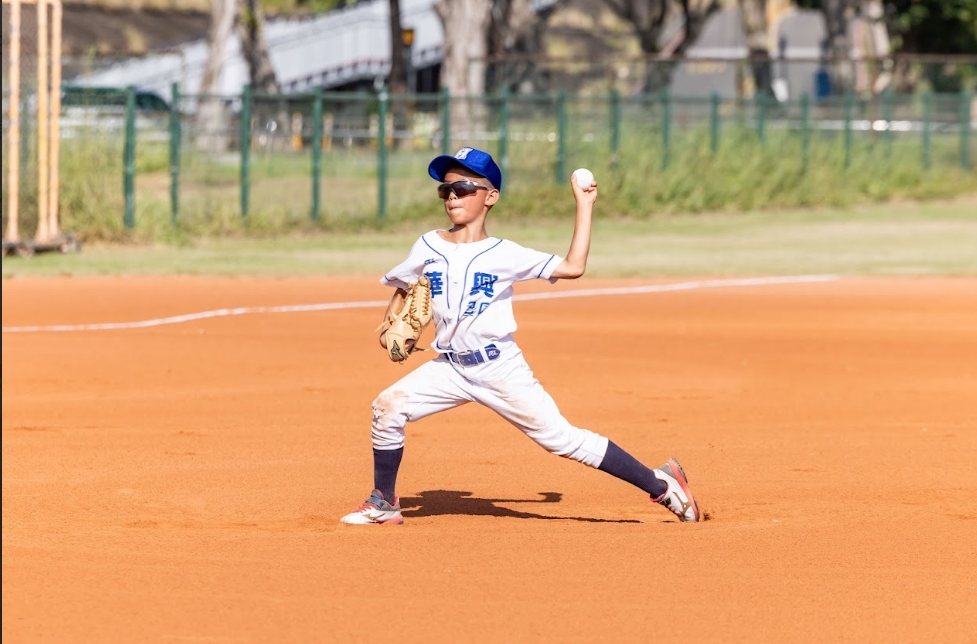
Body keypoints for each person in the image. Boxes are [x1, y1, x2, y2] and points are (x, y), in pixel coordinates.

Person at [340, 147, 701, 525]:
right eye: (445, 190)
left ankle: (662, 484)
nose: (452, 197)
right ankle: (384, 502)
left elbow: (573, 266)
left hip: (499, 367)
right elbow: (403, 286)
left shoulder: (504, 254)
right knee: (388, 406)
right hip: (449, 367)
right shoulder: (428, 244)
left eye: (463, 188)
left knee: (561, 440)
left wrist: (585, 204)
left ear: (490, 196)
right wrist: (392, 326)